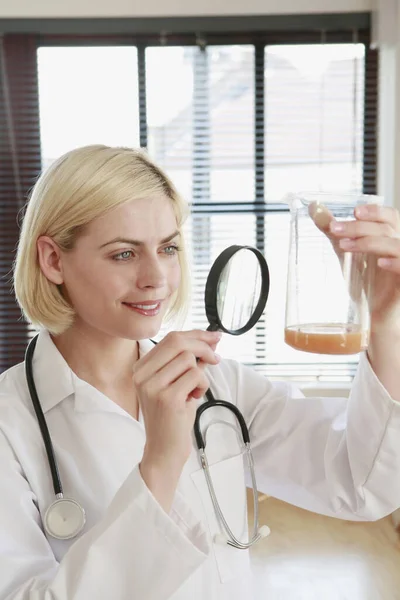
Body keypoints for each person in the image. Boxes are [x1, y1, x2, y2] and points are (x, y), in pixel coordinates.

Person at [1, 144, 400, 600]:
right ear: (53, 261)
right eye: (124, 254)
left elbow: (363, 483)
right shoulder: (10, 425)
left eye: (167, 247)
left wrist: (385, 319)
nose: (157, 278)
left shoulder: (220, 386)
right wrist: (162, 460)